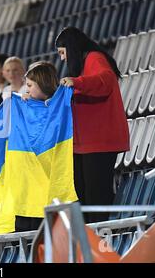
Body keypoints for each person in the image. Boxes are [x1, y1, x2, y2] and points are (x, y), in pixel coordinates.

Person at [55, 27, 130, 223]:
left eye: (63, 53)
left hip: (98, 142)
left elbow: (105, 80)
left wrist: (76, 82)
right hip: (84, 143)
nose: (63, 59)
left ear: (71, 48)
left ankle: (101, 241)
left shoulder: (95, 58)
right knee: (83, 195)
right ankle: (90, 240)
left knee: (96, 194)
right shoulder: (85, 64)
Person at [15, 61, 60, 232]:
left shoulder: (58, 107)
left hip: (46, 181)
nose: (27, 90)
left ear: (42, 84)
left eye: (29, 85)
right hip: (28, 181)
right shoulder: (26, 105)